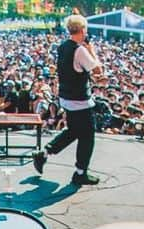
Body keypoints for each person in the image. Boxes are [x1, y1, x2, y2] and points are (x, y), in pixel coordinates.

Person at [31, 14, 105, 186]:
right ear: (83, 30)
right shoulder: (80, 50)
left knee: (73, 131)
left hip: (67, 98)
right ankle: (80, 173)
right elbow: (98, 72)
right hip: (80, 101)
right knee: (87, 136)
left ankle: (45, 153)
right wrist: (91, 49)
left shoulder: (63, 47)